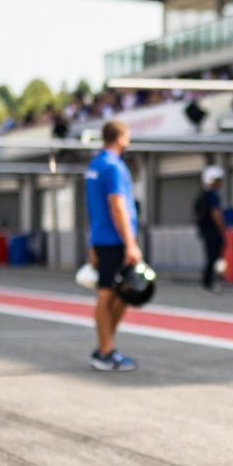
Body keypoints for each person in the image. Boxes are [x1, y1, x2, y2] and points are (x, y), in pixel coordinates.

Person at [85, 120, 141, 372]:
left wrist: (92, 242)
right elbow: (117, 206)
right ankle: (105, 352)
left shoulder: (95, 164)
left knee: (117, 294)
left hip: (102, 239)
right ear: (119, 137)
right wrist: (130, 243)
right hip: (115, 240)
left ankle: (106, 347)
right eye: (127, 134)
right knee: (110, 294)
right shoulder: (113, 166)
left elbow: (92, 208)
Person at [195, 165, 226, 293]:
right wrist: (222, 229)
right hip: (213, 231)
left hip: (205, 231)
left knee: (212, 257)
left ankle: (209, 281)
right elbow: (215, 213)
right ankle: (209, 282)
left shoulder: (203, 196)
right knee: (214, 257)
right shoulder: (212, 196)